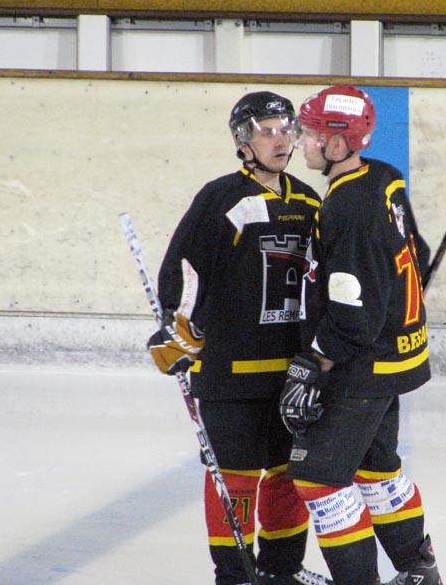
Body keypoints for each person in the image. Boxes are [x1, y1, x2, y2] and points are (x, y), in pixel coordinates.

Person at [147, 91, 332, 585]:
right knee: (236, 481)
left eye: (286, 130)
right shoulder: (222, 198)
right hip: (230, 374)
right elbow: (183, 271)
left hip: (292, 374)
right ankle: (234, 575)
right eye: (266, 131)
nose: (280, 140)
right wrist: (177, 328)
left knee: (287, 478)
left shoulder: (309, 201)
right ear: (243, 141)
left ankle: (281, 571)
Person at [279, 85, 443, 585]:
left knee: (317, 478)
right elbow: (417, 252)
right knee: (376, 469)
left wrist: (314, 363)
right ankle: (419, 572)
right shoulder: (384, 178)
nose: (301, 141)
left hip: (363, 366)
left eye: (310, 133)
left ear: (337, 143)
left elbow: (354, 318)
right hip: (396, 357)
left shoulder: (347, 208)